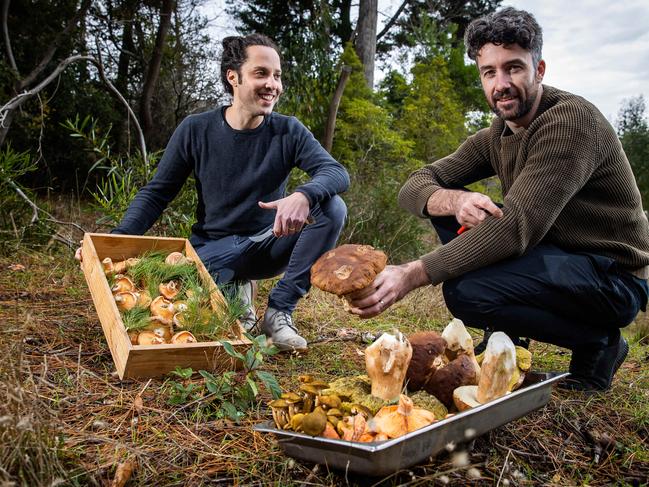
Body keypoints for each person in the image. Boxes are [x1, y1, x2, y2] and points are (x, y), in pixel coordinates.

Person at [347, 7, 649, 392]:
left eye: (514, 68)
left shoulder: (569, 123)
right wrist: (452, 200)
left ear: (539, 70)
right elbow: (414, 186)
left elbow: (515, 229)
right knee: (454, 209)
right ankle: (508, 337)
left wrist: (412, 273)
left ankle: (600, 344)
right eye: (490, 72)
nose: (501, 83)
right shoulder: (498, 133)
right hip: (560, 258)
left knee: (466, 291)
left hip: (613, 277)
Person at [77, 34, 349, 352]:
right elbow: (156, 194)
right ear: (232, 77)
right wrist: (116, 242)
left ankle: (279, 312)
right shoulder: (196, 129)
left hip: (269, 243)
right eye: (261, 73)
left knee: (331, 207)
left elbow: (336, 173)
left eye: (277, 76)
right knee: (166, 301)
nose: (273, 84)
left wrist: (303, 195)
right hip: (212, 253)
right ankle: (233, 295)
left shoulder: (288, 131)